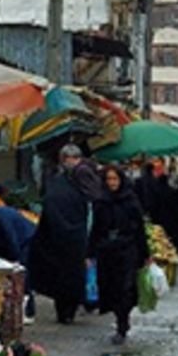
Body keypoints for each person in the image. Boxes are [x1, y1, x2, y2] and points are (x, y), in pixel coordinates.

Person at [27, 143, 99, 324]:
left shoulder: (76, 178)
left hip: (68, 236)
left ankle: (67, 310)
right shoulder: (62, 180)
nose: (71, 162)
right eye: (68, 158)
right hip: (70, 236)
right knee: (68, 275)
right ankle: (68, 310)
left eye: (73, 158)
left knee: (66, 276)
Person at [91, 163, 151, 344]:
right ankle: (120, 318)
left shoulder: (130, 200)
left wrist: (145, 253)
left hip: (127, 250)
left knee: (126, 288)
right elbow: (96, 229)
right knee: (112, 288)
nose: (112, 183)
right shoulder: (100, 201)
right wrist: (89, 252)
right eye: (109, 179)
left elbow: (139, 228)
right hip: (107, 251)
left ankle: (122, 324)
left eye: (115, 179)